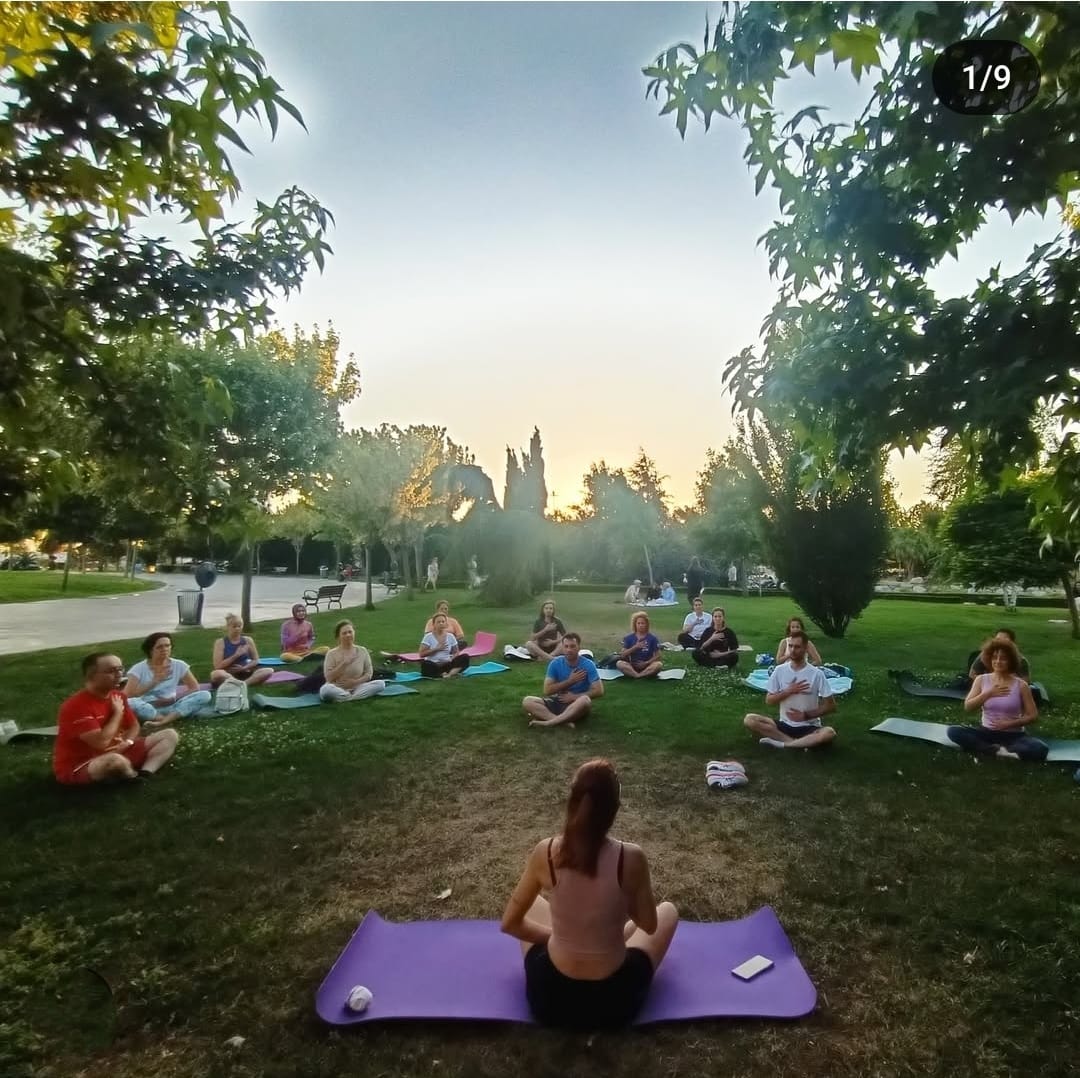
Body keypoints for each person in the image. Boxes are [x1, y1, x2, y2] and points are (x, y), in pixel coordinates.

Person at [500, 758, 679, 1030]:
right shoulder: (631, 858)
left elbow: (510, 923)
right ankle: (605, 938)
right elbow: (649, 924)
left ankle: (586, 938)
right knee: (668, 912)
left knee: (534, 903)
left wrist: (561, 939)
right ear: (614, 810)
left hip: (550, 1002)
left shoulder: (546, 852)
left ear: (571, 803)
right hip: (616, 1003)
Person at [54, 653, 179, 785]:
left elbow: (134, 726)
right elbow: (101, 742)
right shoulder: (75, 706)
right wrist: (118, 713)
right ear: (91, 676)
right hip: (85, 763)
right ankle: (132, 778)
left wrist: (129, 742)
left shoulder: (118, 696)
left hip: (119, 750)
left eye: (120, 669)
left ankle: (146, 773)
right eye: (111, 671)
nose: (119, 674)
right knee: (114, 761)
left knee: (170, 735)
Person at [948, 637, 1047, 761]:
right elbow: (968, 706)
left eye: (1003, 658)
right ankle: (995, 751)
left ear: (1011, 661)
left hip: (1014, 735)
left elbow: (1032, 715)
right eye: (995, 657)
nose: (998, 661)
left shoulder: (1021, 685)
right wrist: (988, 694)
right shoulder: (981, 680)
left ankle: (994, 750)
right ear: (989, 659)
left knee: (1040, 748)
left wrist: (1009, 724)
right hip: (986, 732)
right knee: (953, 731)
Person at [743, 630, 836, 749]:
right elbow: (769, 701)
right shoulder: (779, 670)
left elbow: (831, 706)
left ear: (805, 648)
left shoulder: (816, 674)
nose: (792, 650)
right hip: (785, 724)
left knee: (829, 733)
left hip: (809, 726)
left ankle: (783, 744)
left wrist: (805, 716)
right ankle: (798, 743)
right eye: (790, 646)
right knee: (750, 719)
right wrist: (789, 691)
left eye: (797, 647)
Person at [123, 632, 212, 729]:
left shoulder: (179, 665)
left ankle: (163, 721)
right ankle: (164, 719)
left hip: (173, 705)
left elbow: (194, 688)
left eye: (167, 645)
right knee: (130, 702)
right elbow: (127, 695)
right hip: (148, 707)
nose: (164, 649)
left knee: (205, 695)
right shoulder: (138, 669)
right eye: (159, 647)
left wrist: (174, 698)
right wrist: (154, 682)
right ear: (150, 650)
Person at [522, 633, 603, 728]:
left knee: (585, 700)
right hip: (558, 701)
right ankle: (562, 722)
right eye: (566, 646)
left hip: (577, 704)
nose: (569, 650)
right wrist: (570, 681)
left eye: (573, 646)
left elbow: (599, 691)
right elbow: (547, 691)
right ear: (562, 648)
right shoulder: (555, 663)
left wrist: (574, 697)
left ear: (579, 647)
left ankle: (549, 722)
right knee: (527, 701)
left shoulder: (588, 665)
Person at [319, 620, 386, 703]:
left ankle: (346, 697)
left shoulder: (362, 650)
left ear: (354, 633)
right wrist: (344, 663)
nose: (348, 635)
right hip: (337, 687)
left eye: (350, 632)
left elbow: (369, 673)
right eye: (344, 633)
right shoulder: (331, 654)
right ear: (338, 636)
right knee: (325, 691)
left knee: (380, 684)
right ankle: (352, 697)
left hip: (357, 686)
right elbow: (329, 678)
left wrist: (355, 682)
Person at [210, 614, 274, 688]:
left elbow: (256, 660)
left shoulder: (248, 640)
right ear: (227, 627)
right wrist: (236, 655)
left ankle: (242, 684)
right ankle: (239, 683)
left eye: (239, 626)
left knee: (269, 670)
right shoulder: (220, 642)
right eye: (234, 626)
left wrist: (244, 668)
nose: (237, 629)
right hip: (227, 674)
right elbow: (218, 666)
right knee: (216, 674)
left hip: (245, 672)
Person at [418, 611, 470, 678]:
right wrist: (436, 649)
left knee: (465, 657)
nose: (441, 623)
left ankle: (449, 674)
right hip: (434, 664)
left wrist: (451, 659)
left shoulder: (450, 636)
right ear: (434, 624)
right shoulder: (428, 637)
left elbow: (456, 651)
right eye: (438, 622)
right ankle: (442, 674)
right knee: (425, 665)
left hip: (447, 663)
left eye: (443, 622)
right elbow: (421, 654)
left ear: (446, 624)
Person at [616, 613, 663, 679]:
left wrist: (646, 663)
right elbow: (622, 655)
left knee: (658, 665)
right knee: (619, 664)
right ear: (635, 624)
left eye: (642, 623)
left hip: (647, 666)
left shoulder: (652, 638)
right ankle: (637, 675)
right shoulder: (628, 638)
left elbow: (658, 656)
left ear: (646, 625)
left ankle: (639, 675)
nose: (640, 625)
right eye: (638, 623)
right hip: (632, 666)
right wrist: (635, 647)